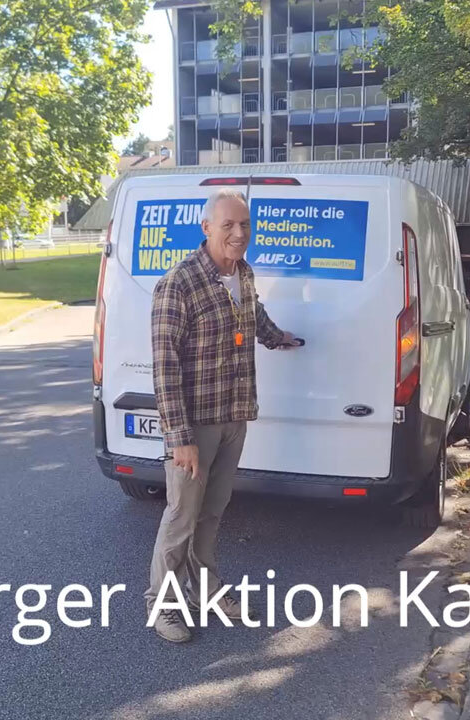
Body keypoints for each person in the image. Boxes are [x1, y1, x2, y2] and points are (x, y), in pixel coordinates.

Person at [145, 188, 299, 643]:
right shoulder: (179, 282)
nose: (238, 233)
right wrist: (179, 437)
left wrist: (278, 338)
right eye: (228, 225)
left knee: (212, 514)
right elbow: (165, 366)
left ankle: (206, 591)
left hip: (235, 415)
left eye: (244, 225)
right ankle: (162, 604)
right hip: (195, 426)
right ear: (207, 228)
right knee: (181, 517)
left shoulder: (243, 274)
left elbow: (253, 316)